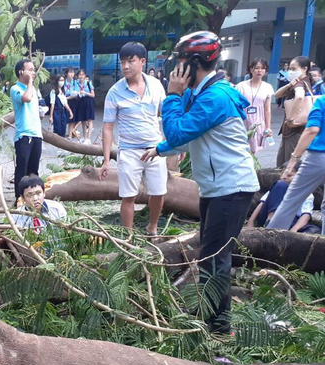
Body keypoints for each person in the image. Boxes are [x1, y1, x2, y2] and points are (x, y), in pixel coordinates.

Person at [141, 31, 259, 334]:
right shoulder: (207, 94)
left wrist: (172, 95)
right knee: (213, 255)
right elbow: (187, 137)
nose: (176, 70)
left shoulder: (215, 97)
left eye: (181, 62)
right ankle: (212, 316)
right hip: (218, 188)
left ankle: (218, 327)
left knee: (213, 258)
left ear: (194, 63)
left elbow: (179, 131)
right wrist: (160, 149)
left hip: (230, 188)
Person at [99, 42, 168, 235]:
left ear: (142, 61)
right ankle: (127, 237)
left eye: (131, 61)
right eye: (122, 62)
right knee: (129, 196)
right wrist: (106, 161)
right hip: (129, 151)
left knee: (158, 192)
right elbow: (107, 127)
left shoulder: (156, 86)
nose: (126, 66)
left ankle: (152, 228)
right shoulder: (115, 92)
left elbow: (167, 115)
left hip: (156, 150)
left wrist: (173, 145)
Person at [267, 95, 325, 235]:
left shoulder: (321, 101)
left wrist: (293, 159)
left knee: (292, 200)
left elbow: (312, 130)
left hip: (319, 156)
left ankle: (270, 243)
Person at [247, 165, 319, 234]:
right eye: (282, 174)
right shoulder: (278, 187)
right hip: (268, 217)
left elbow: (306, 215)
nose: (284, 177)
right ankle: (271, 221)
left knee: (314, 229)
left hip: (289, 219)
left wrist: (295, 229)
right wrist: (251, 221)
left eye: (289, 175)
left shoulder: (306, 194)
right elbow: (262, 203)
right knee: (281, 184)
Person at [10, 59, 43, 201]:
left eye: (33, 69)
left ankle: (34, 198)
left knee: (33, 170)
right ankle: (19, 199)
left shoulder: (33, 89)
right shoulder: (15, 89)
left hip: (36, 134)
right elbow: (26, 98)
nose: (33, 72)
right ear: (21, 72)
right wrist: (29, 82)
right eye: (30, 70)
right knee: (22, 170)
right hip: (23, 135)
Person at [274, 56, 313, 168]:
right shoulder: (300, 82)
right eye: (290, 69)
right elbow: (277, 94)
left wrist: (290, 118)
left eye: (294, 69)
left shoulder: (300, 84)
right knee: (283, 165)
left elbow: (299, 97)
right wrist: (289, 84)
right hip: (290, 131)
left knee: (288, 167)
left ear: (304, 69)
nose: (290, 71)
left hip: (294, 131)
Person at [236, 58, 275, 154]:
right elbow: (236, 105)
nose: (260, 71)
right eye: (257, 68)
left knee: (253, 150)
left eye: (263, 68)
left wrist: (268, 127)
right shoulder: (241, 86)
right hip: (243, 121)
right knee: (240, 148)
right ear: (251, 69)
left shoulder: (267, 87)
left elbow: (267, 109)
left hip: (258, 122)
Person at [75, 69, 96, 144]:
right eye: (80, 74)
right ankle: (84, 138)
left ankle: (88, 138)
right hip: (81, 101)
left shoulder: (88, 83)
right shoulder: (76, 83)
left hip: (88, 101)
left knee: (89, 120)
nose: (81, 76)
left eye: (83, 74)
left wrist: (85, 92)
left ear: (85, 75)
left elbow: (93, 95)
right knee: (83, 120)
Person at [64, 67, 80, 140]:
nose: (71, 74)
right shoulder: (63, 82)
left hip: (72, 101)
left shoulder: (75, 82)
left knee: (72, 118)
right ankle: (62, 133)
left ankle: (70, 135)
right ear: (66, 74)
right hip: (64, 101)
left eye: (73, 72)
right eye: (70, 72)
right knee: (64, 117)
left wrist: (68, 98)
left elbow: (76, 93)